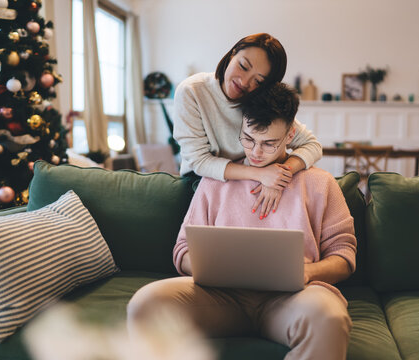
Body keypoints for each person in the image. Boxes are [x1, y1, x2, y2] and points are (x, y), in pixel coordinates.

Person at [128, 83, 357, 360]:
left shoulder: (320, 183)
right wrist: (208, 266)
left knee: (330, 318)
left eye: (269, 143)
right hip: (219, 298)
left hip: (294, 298)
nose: (256, 152)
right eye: (248, 139)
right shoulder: (216, 180)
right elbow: (182, 250)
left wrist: (308, 273)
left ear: (291, 135)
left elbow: (344, 257)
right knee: (145, 303)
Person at [173, 33, 322, 219]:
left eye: (258, 81)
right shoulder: (192, 91)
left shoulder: (258, 100)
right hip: (201, 179)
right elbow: (199, 161)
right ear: (232, 53)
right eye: (243, 66)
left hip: (252, 179)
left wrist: (280, 174)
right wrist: (261, 175)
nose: (244, 82)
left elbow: (312, 145)